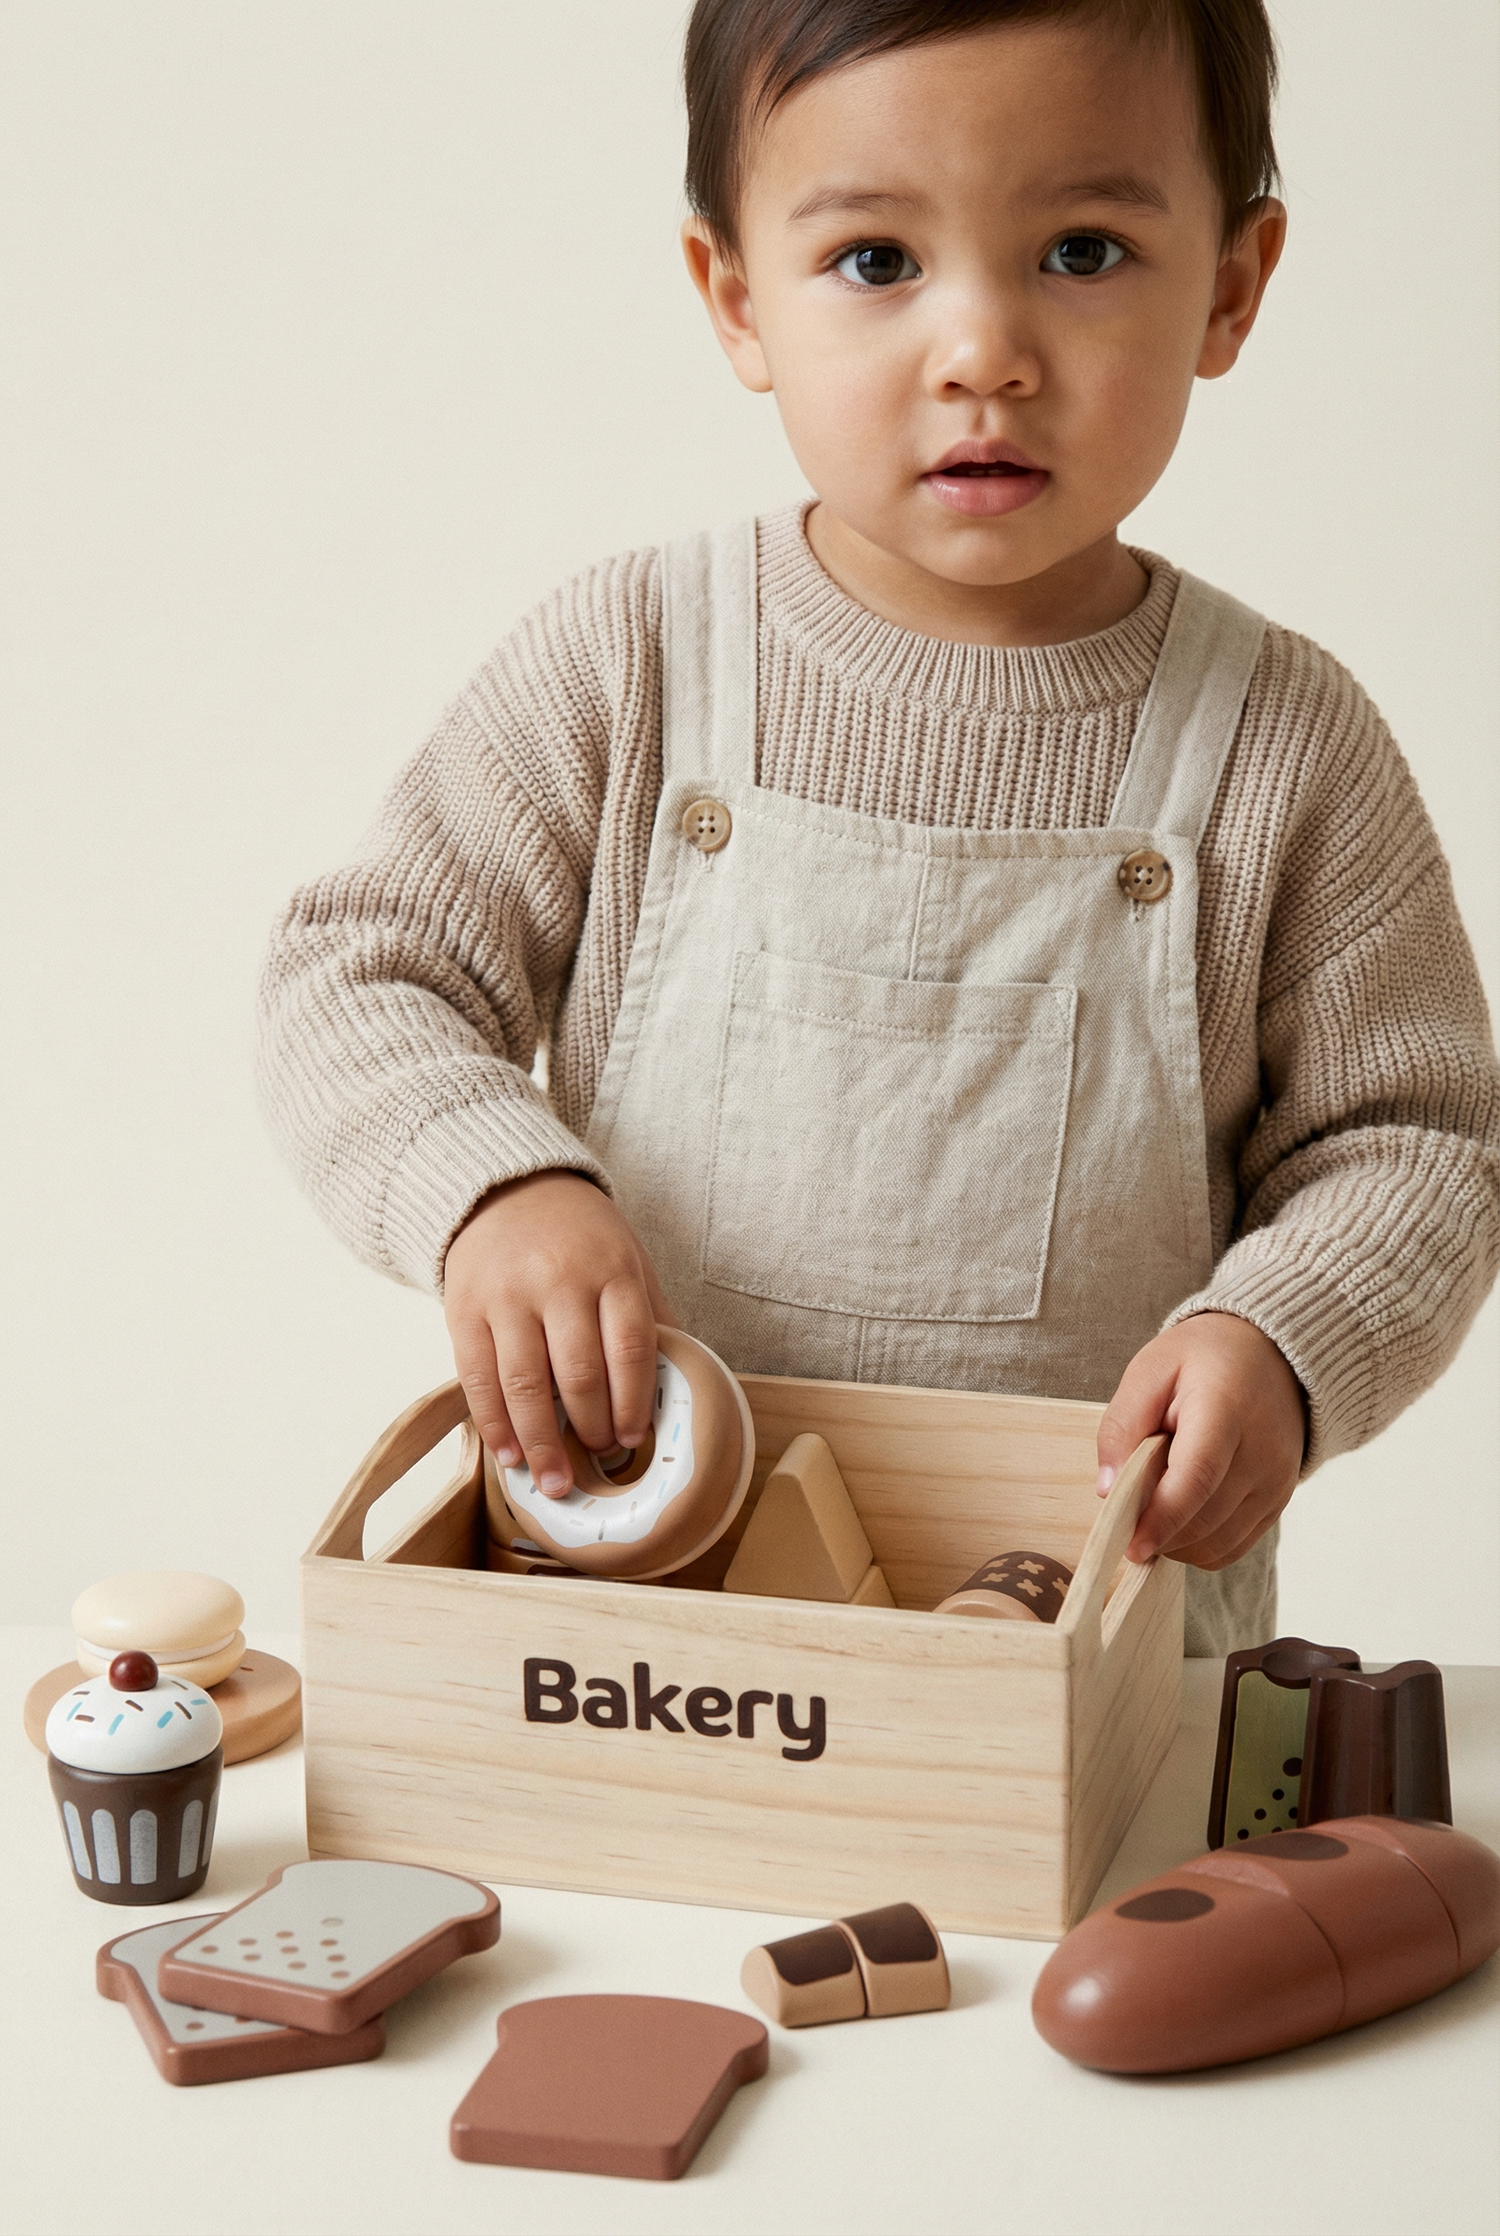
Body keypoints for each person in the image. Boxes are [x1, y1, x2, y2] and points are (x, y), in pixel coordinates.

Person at [257, 0, 1499, 1653]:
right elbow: (358, 976)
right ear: (736, 297)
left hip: (1088, 1647)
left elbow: (1415, 1145)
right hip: (643, 1619)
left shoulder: (1286, 746)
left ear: (1231, 283)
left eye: (1079, 247)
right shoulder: (632, 666)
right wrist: (493, 1191)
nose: (981, 347)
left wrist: (1286, 1338)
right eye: (874, 262)